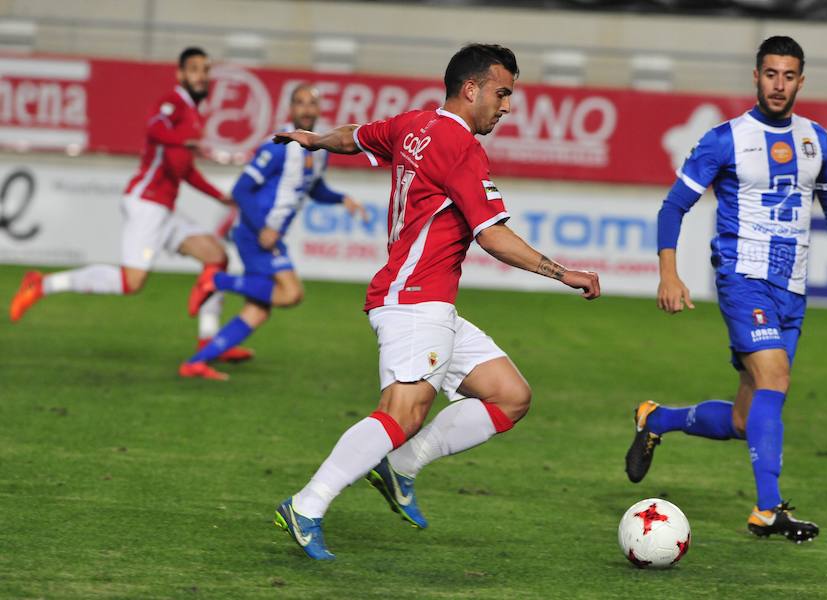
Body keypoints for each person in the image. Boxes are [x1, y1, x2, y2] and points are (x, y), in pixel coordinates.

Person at [270, 43, 600, 560]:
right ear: (471, 89)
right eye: (502, 92)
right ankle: (307, 504)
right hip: (413, 302)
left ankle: (400, 465)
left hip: (430, 304)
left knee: (510, 396)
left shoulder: (414, 124)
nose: (507, 105)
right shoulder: (460, 146)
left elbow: (353, 138)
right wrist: (563, 273)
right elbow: (493, 236)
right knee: (403, 412)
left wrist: (314, 140)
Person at [625, 36, 827, 543]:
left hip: (793, 289)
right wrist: (668, 272)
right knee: (776, 381)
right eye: (770, 74)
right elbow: (673, 206)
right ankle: (768, 510)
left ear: (801, 80)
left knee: (746, 420)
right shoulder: (726, 139)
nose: (779, 84)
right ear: (756, 77)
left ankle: (657, 419)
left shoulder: (817, 141)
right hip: (743, 280)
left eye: (788, 76)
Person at [9, 47, 251, 362]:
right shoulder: (175, 102)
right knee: (130, 282)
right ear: (180, 74)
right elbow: (155, 127)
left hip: (164, 209)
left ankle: (208, 343)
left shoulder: (192, 112)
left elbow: (185, 170)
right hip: (146, 203)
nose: (201, 76)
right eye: (193, 69)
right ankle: (42, 284)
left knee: (216, 258)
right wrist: (184, 138)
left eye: (205, 70)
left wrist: (221, 196)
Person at [180, 84, 368, 380]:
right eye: (300, 103)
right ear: (291, 110)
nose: (306, 109)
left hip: (268, 234)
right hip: (255, 233)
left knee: (258, 311)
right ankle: (216, 279)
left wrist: (341, 198)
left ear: (319, 110)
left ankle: (196, 362)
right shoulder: (277, 146)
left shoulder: (320, 147)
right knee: (291, 293)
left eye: (312, 103)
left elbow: (314, 187)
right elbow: (241, 189)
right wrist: (263, 227)